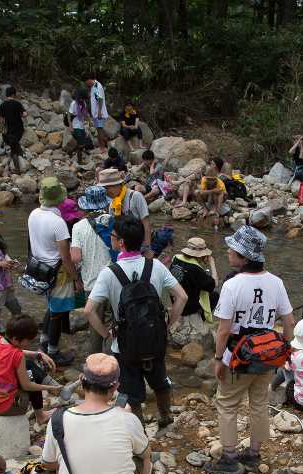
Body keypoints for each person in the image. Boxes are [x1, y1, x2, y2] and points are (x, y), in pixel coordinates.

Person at [205, 226, 295, 474]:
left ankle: (230, 457)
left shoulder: (233, 285)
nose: (228, 253)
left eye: (232, 250)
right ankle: (254, 453)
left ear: (244, 258)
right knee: (259, 402)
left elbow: (223, 330)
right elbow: (289, 322)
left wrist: (217, 359)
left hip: (237, 356)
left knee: (227, 404)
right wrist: (285, 352)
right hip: (266, 355)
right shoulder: (276, 282)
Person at [85, 215, 187, 427]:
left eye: (113, 236)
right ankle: (166, 417)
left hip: (124, 343)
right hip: (154, 338)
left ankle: (137, 428)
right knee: (160, 382)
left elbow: (89, 310)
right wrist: (168, 324)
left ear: (121, 242)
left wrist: (105, 333)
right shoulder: (155, 266)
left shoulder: (109, 273)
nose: (111, 239)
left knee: (129, 390)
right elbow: (182, 297)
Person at [27, 353, 151, 474]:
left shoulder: (58, 420)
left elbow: (48, 464)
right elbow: (146, 456)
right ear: (115, 388)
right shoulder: (128, 419)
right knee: (138, 456)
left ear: (81, 380)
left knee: (35, 473)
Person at [29, 177, 78, 366]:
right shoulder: (58, 222)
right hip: (58, 273)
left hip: (40, 270)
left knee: (51, 307)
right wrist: (76, 278)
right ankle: (53, 352)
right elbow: (66, 257)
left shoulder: (33, 214)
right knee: (58, 312)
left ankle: (43, 342)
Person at [0, 316, 60, 423]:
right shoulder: (17, 355)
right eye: (28, 341)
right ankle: (42, 414)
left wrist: (38, 354)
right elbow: (27, 386)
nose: (29, 344)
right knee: (31, 379)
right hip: (3, 407)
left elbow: (10, 351)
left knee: (28, 364)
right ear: (16, 339)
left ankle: (56, 386)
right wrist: (49, 388)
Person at [71, 186, 115, 353]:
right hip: (114, 280)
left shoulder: (79, 227)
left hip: (92, 283)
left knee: (95, 324)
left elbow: (75, 258)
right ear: (105, 203)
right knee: (113, 322)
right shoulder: (114, 221)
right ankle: (112, 358)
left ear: (86, 205)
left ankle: (95, 362)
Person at [99, 166, 152, 249]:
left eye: (108, 188)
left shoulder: (135, 196)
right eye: (103, 189)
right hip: (124, 247)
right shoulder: (112, 204)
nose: (106, 192)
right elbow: (115, 229)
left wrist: (147, 246)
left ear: (119, 185)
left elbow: (146, 223)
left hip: (140, 243)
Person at [169, 237, 219, 324]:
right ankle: (202, 318)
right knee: (215, 295)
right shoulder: (196, 269)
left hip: (175, 300)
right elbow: (215, 284)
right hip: (186, 308)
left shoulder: (176, 259)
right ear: (201, 255)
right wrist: (212, 263)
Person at [0, 86, 27, 173]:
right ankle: (18, 167)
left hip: (8, 130)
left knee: (13, 146)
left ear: (6, 94)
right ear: (14, 94)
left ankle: (17, 167)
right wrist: (22, 114)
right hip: (19, 129)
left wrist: (2, 131)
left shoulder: (2, 105)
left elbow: (1, 120)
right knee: (14, 146)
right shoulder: (18, 104)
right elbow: (24, 114)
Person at [68, 92, 93, 164]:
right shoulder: (73, 104)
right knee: (82, 144)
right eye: (82, 98)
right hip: (75, 126)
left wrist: (90, 121)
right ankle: (79, 160)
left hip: (81, 125)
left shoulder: (83, 103)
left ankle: (71, 151)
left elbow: (85, 113)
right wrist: (70, 126)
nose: (82, 100)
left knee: (82, 143)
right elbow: (69, 115)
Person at [86, 76, 109, 150]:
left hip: (99, 113)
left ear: (89, 80)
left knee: (99, 131)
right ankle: (104, 145)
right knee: (99, 130)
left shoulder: (96, 87)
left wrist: (99, 112)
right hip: (96, 112)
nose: (86, 84)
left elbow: (100, 100)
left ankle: (102, 148)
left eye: (86, 82)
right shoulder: (95, 85)